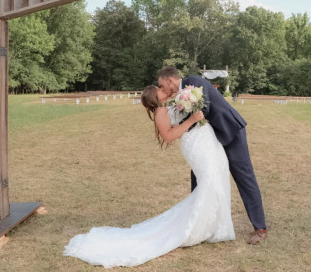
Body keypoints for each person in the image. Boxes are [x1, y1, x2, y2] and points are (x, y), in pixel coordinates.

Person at [64, 85, 235, 268]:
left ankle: (214, 224)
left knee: (216, 179)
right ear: (155, 97)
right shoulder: (160, 112)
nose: (163, 89)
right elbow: (168, 136)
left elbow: (176, 123)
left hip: (203, 141)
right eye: (160, 89)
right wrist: (191, 120)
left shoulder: (168, 105)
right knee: (209, 181)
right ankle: (201, 226)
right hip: (194, 146)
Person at [157, 66, 267, 244]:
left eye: (162, 86)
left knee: (244, 177)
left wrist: (179, 126)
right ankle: (198, 223)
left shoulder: (195, 82)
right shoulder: (179, 96)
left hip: (230, 132)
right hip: (207, 141)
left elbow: (204, 110)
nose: (163, 90)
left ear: (170, 80)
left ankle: (260, 227)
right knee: (200, 176)